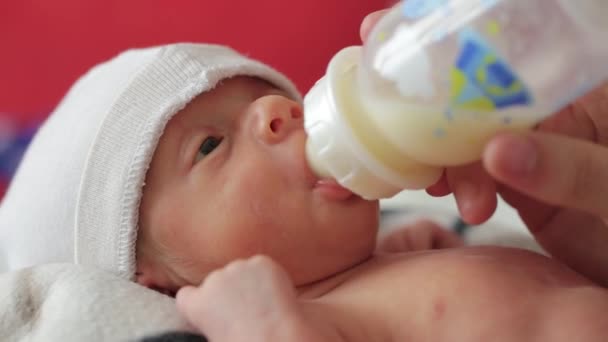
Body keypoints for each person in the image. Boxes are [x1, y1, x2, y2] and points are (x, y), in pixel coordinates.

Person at [0, 22, 606, 342]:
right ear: (150, 281)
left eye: (267, 99)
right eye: (210, 145)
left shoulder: (380, 272)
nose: (279, 111)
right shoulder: (302, 319)